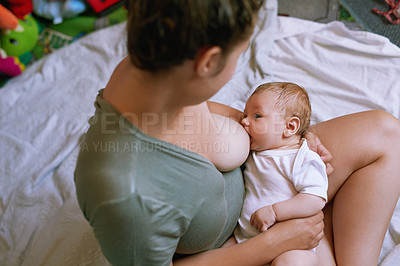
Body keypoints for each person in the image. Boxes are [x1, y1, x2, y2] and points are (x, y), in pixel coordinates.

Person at [74, 0, 400, 265]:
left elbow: (199, 111)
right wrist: (273, 243)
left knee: (386, 133)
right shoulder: (125, 195)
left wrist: (293, 136)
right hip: (239, 242)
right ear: (208, 61)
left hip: (265, 177)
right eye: (239, 55)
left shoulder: (156, 62)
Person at [233, 82, 328, 265]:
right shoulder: (254, 151)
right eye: (245, 115)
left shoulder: (302, 158)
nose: (244, 121)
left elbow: (315, 198)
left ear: (290, 127)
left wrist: (275, 211)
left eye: (257, 116)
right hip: (245, 240)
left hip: (293, 247)